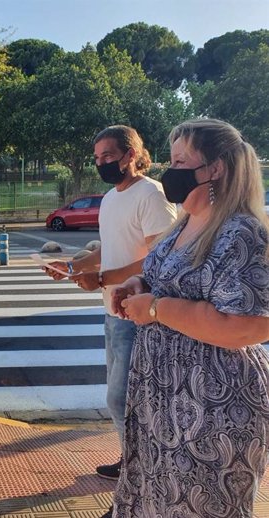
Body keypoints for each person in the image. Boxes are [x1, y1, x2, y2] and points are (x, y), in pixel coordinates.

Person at [111, 119, 269, 517]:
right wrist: (137, 283)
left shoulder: (241, 232)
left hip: (211, 405)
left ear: (214, 169)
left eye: (181, 161)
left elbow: (249, 325)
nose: (171, 170)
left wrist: (155, 309)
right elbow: (167, 275)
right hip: (163, 394)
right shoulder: (186, 221)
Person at [44, 126, 177, 516]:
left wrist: (103, 279)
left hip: (138, 314)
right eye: (97, 157)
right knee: (123, 399)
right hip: (112, 312)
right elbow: (109, 248)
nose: (101, 162)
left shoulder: (151, 194)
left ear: (132, 153)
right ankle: (132, 464)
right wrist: (71, 266)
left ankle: (142, 476)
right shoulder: (109, 199)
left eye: (109, 155)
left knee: (122, 399)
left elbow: (158, 258)